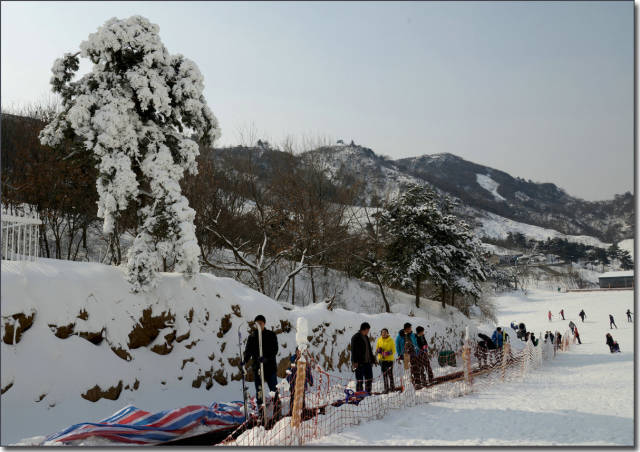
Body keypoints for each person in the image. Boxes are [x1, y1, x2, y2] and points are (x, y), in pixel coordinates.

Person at [244, 315, 279, 415]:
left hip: (270, 367)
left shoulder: (271, 335)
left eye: (261, 323)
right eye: (257, 323)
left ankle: (277, 408)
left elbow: (275, 349)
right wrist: (244, 360)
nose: (259, 325)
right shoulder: (252, 337)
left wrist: (266, 358)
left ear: (264, 323)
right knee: (259, 390)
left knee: (273, 389)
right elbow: (248, 351)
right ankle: (260, 410)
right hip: (257, 368)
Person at [286, 347, 314, 416]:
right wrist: (288, 381)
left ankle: (303, 411)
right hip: (293, 384)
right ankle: (292, 412)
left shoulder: (305, 361)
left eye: (300, 351)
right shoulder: (292, 361)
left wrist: (311, 381)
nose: (299, 353)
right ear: (296, 352)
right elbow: (288, 372)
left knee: (302, 398)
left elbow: (308, 372)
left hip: (302, 384)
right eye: (298, 351)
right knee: (293, 398)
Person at [351, 322, 376, 393]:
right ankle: (359, 395)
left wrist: (372, 359)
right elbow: (353, 351)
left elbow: (369, 349)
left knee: (369, 379)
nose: (368, 332)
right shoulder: (355, 337)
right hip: (359, 363)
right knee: (360, 380)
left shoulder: (366, 337)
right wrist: (355, 362)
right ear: (364, 329)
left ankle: (368, 393)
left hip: (367, 362)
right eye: (368, 330)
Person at [395, 323, 420, 387]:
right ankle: (410, 383)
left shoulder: (412, 335)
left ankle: (418, 382)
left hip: (413, 352)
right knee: (408, 369)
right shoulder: (399, 336)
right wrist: (399, 354)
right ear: (406, 329)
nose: (411, 329)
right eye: (410, 328)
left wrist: (417, 351)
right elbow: (397, 346)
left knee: (416, 367)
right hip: (405, 354)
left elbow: (415, 343)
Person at [375, 328, 395, 393]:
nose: (384, 334)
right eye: (383, 332)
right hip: (382, 360)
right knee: (384, 375)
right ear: (381, 333)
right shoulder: (379, 340)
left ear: (387, 333)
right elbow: (377, 349)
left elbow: (394, 350)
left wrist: (388, 353)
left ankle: (392, 388)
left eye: (385, 332)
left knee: (390, 374)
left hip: (389, 360)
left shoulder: (391, 340)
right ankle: (386, 388)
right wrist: (378, 350)